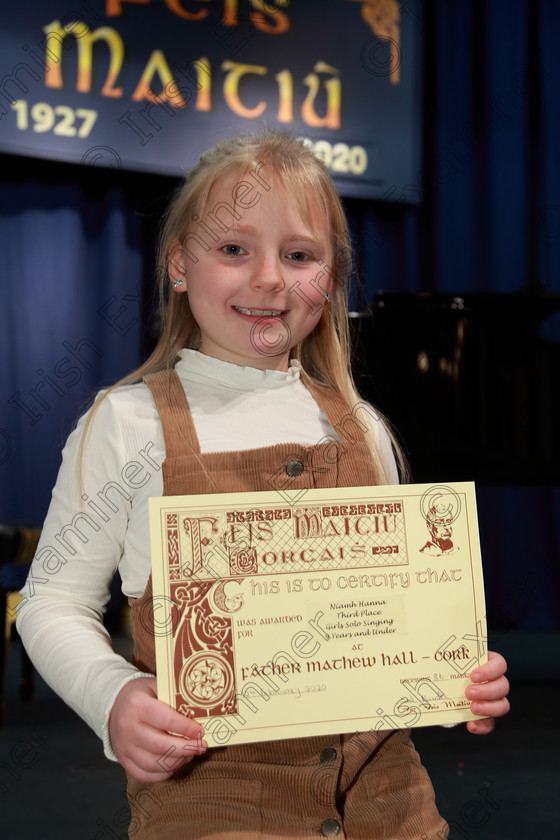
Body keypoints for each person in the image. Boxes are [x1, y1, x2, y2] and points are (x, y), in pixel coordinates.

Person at [17, 131, 509, 839]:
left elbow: (402, 619)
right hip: (215, 809)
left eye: (300, 255)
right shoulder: (126, 425)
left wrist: (460, 668)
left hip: (394, 808)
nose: (270, 278)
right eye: (234, 249)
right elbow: (51, 603)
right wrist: (115, 695)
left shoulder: (364, 428)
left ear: (331, 278)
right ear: (179, 263)